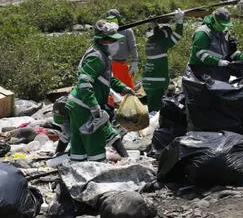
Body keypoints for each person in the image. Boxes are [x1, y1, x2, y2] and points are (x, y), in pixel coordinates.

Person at [65, 20, 134, 162]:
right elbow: (84, 82)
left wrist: (124, 88)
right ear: (102, 40)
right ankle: (96, 175)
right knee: (94, 144)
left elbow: (108, 78)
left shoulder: (102, 54)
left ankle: (77, 173)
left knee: (79, 144)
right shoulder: (96, 57)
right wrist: (94, 107)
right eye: (110, 40)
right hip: (84, 106)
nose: (114, 43)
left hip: (78, 104)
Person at [142, 9, 185, 113]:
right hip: (157, 82)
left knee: (151, 104)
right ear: (165, 35)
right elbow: (177, 36)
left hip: (148, 81)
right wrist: (179, 22)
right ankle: (154, 126)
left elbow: (158, 33)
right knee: (156, 110)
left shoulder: (150, 43)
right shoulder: (162, 43)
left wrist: (155, 26)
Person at [188, 7, 243, 81]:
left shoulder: (225, 32)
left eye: (226, 25)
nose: (224, 27)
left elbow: (231, 51)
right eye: (222, 25)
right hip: (200, 70)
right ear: (214, 21)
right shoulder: (203, 33)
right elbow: (200, 54)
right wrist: (219, 62)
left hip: (216, 67)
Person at [105, 9, 138, 89]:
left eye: (113, 19)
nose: (111, 22)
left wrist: (135, 62)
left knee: (127, 89)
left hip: (122, 65)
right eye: (108, 20)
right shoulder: (107, 31)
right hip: (109, 65)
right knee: (112, 90)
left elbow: (133, 47)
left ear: (118, 18)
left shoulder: (127, 31)